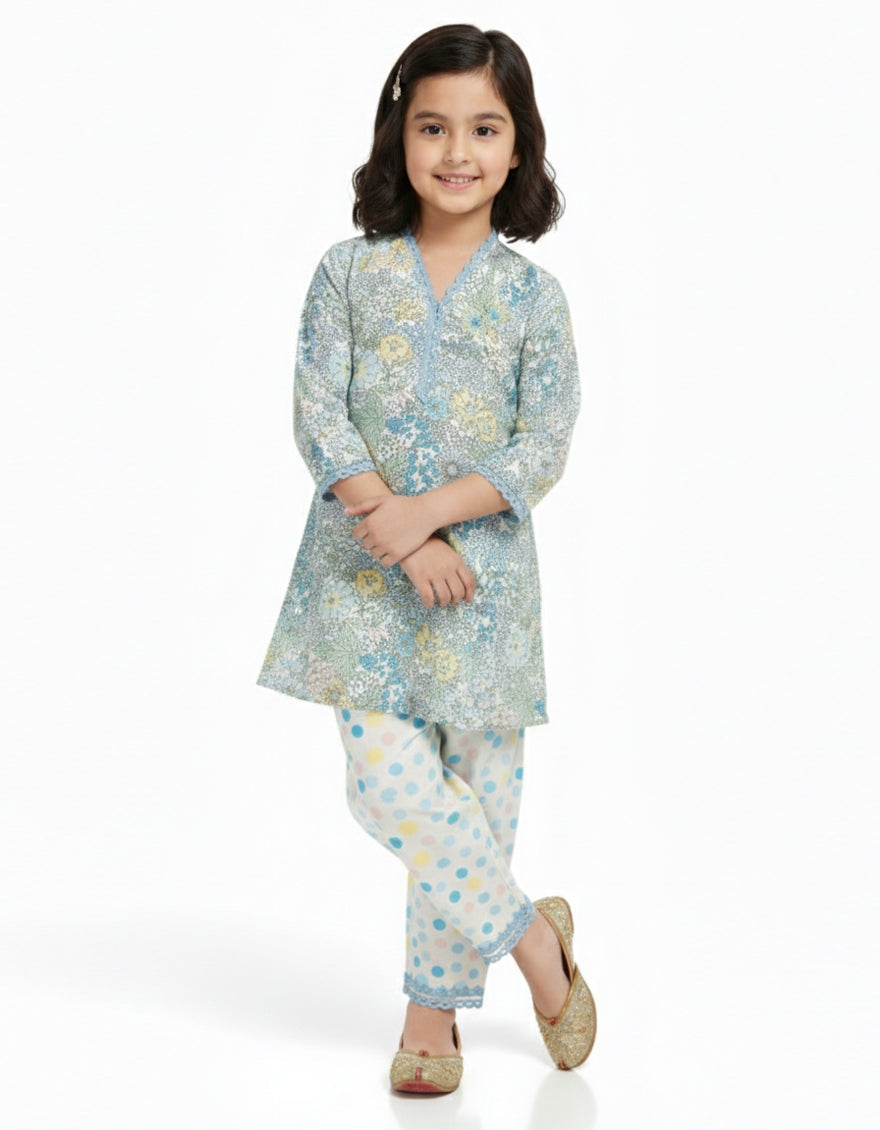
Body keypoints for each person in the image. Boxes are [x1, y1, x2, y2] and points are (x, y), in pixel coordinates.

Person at [256, 23, 596, 1092]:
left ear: (518, 144)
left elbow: (542, 443)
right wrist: (391, 527)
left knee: (475, 798)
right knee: (392, 787)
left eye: (484, 129)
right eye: (433, 126)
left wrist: (431, 516)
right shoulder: (346, 274)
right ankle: (534, 943)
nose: (457, 151)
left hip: (483, 586)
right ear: (397, 138)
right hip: (359, 581)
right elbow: (318, 412)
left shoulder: (534, 298)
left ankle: (429, 1017)